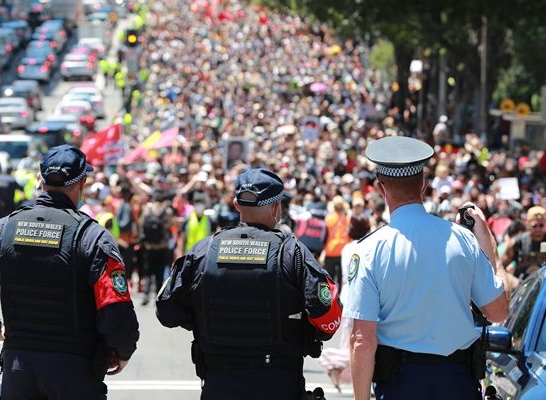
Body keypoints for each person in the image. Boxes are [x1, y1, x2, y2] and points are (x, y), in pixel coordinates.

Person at [344, 136, 510, 400]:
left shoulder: (368, 250)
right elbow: (499, 311)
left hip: (401, 386)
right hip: (458, 383)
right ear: (423, 185)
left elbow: (362, 339)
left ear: (381, 188)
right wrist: (491, 250)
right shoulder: (463, 239)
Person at [156, 168, 343, 400]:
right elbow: (328, 317)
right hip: (278, 383)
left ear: (236, 205)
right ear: (276, 208)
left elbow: (167, 311)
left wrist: (203, 318)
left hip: (218, 383)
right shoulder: (292, 253)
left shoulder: (204, 250)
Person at [0, 145, 140, 400]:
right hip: (74, 371)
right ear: (82, 183)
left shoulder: (1, 230)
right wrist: (122, 350)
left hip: (18, 369)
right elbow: (115, 310)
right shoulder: (92, 238)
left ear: (40, 181)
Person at [319, 215, 370, 392]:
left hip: (347, 295)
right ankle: (337, 365)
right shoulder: (366, 246)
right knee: (361, 342)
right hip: (361, 297)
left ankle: (340, 369)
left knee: (349, 341)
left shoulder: (347, 248)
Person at [501, 205, 546, 282]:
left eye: (541, 225)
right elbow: (500, 268)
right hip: (522, 286)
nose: (538, 229)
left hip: (545, 286)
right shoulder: (517, 242)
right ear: (528, 223)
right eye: (534, 226)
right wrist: (512, 281)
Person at [139, 188, 173, 305]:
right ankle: (158, 297)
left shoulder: (147, 209)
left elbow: (141, 225)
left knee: (148, 272)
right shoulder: (167, 211)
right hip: (162, 246)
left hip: (149, 246)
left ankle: (146, 295)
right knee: (160, 272)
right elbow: (169, 226)